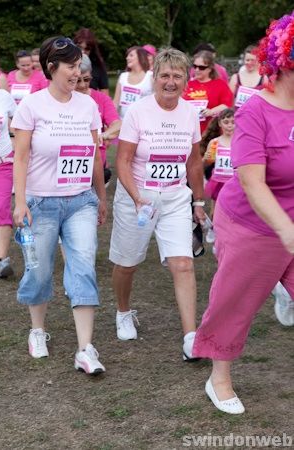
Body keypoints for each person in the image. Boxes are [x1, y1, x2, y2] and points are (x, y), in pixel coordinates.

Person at [193, 12, 294, 414]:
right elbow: (252, 181)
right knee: (235, 301)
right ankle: (218, 377)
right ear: (286, 62)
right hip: (253, 225)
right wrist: (286, 229)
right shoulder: (255, 112)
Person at [11, 36, 107, 375]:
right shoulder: (31, 106)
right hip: (41, 202)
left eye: (80, 64)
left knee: (83, 266)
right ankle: (37, 329)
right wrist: (20, 202)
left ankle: (85, 348)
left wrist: (101, 196)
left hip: (81, 200)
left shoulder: (89, 106)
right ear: (52, 68)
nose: (77, 71)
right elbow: (20, 157)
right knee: (39, 270)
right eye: (70, 65)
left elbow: (94, 156)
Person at [109, 48, 205, 361]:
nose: (171, 81)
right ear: (155, 79)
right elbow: (122, 160)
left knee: (183, 262)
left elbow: (193, 162)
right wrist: (137, 198)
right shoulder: (138, 111)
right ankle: (123, 311)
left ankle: (191, 337)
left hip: (176, 197)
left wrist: (199, 201)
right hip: (138, 197)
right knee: (128, 263)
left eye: (178, 76)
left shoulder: (190, 113)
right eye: (165, 75)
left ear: (186, 81)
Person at [75, 54, 121, 184]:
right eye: (77, 80)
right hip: (68, 161)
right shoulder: (63, 99)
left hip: (97, 163)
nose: (83, 85)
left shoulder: (101, 98)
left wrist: (104, 135)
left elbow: (117, 124)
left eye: (87, 79)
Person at [202, 108, 235, 243]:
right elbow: (205, 164)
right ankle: (213, 229)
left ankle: (230, 234)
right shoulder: (215, 142)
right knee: (215, 210)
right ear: (220, 123)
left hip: (234, 183)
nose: (230, 125)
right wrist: (207, 160)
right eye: (226, 122)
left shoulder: (241, 141)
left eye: (233, 122)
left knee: (234, 211)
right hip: (218, 181)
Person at [0, 88, 17, 277]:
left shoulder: (3, 97)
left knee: (1, 207)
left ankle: (2, 261)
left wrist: (16, 140)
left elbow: (19, 125)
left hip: (1, 163)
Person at [183, 51, 233, 134]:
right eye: (195, 66)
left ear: (210, 68)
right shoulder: (188, 84)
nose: (197, 70)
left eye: (201, 67)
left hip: (211, 131)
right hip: (189, 131)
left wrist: (211, 111)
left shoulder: (220, 85)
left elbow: (227, 105)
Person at [113, 46, 153, 120]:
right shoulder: (123, 76)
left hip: (143, 122)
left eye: (131, 55)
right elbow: (116, 102)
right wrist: (112, 120)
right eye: (127, 56)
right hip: (123, 121)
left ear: (141, 57)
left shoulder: (151, 76)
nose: (127, 58)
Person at [73, 28, 109, 95]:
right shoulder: (66, 64)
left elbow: (105, 94)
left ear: (92, 50)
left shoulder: (98, 66)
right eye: (79, 47)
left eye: (87, 49)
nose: (82, 51)